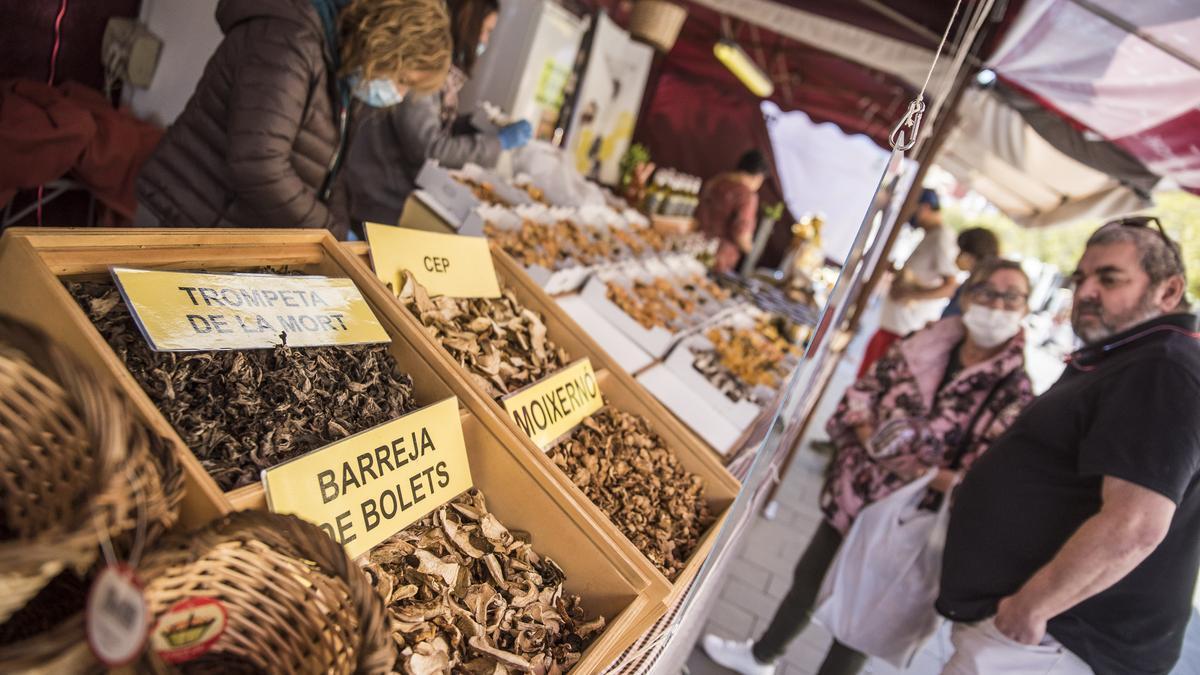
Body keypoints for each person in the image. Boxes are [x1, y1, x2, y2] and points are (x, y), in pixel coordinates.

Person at [703, 258, 1036, 675]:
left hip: (909, 519)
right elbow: (865, 391)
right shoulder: (923, 342)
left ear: (1025, 308)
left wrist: (916, 472)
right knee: (809, 578)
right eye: (988, 292)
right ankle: (762, 656)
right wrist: (868, 438)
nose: (997, 305)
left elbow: (990, 479)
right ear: (967, 296)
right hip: (856, 489)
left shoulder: (1015, 391)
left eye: (1011, 296)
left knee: (862, 619)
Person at [937, 217, 1198, 675]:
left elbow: (1135, 524)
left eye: (1109, 278)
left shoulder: (1164, 367)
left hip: (1059, 641)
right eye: (1081, 278)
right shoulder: (1134, 357)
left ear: (1168, 292)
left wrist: (1031, 608)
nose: (1087, 291)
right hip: (1043, 634)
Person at [136, 0, 452, 238]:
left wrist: (339, 228)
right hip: (188, 219)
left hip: (231, 225)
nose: (397, 92)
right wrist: (328, 233)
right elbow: (259, 164)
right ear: (384, 44)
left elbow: (334, 169)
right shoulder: (289, 41)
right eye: (402, 80)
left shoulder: (339, 61)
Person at [342, 0, 533, 226]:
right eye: (486, 30)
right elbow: (429, 147)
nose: (484, 40)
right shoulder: (421, 68)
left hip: (388, 196)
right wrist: (497, 143)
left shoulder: (444, 74)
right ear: (468, 24)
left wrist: (471, 124)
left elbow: (432, 125)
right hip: (377, 197)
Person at [859, 188, 958, 377]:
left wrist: (910, 294)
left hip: (902, 330)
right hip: (892, 327)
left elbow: (950, 287)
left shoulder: (941, 237)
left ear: (925, 207)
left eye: (911, 207)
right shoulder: (931, 236)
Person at [696, 150, 768, 274]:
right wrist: (751, 250)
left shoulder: (717, 180)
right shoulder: (747, 196)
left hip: (694, 243)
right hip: (718, 259)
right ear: (758, 177)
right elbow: (741, 234)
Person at [942, 227, 1000, 318]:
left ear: (971, 256)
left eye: (961, 251)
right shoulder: (974, 283)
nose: (957, 256)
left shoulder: (978, 288)